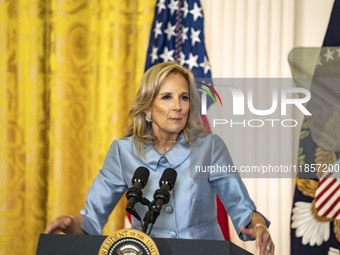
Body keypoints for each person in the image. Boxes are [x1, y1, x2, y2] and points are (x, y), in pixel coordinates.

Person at [44, 62, 275, 255]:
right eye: (167, 97)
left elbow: (243, 211)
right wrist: (72, 224)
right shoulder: (123, 152)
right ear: (147, 109)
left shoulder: (210, 148)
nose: (178, 107)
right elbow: (91, 220)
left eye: (184, 97)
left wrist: (258, 225)